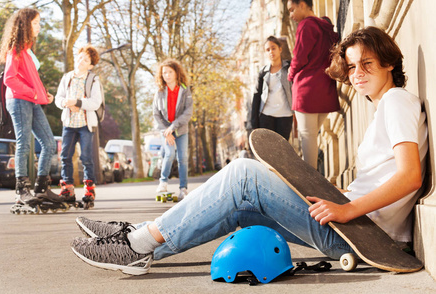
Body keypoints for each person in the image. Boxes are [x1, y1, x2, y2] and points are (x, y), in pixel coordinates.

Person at [71, 27, 428, 277]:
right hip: (351, 223)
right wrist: (341, 199)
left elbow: (410, 175)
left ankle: (136, 242)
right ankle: (137, 246)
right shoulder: (386, 106)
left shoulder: (396, 100)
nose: (357, 74)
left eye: (367, 64)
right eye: (351, 66)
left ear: (389, 64)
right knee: (240, 209)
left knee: (244, 174)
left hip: (361, 233)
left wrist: (347, 208)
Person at [0, 8, 65, 212]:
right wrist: (34, 93)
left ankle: (41, 187)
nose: (39, 26)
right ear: (25, 25)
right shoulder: (16, 49)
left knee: (48, 143)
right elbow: (9, 79)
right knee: (24, 143)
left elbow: (30, 80)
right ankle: (22, 188)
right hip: (19, 100)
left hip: (32, 100)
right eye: (36, 23)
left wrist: (44, 94)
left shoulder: (27, 51)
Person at [287, 0, 340, 169]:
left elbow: (299, 56)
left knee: (307, 136)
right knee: (311, 137)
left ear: (302, 4)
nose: (291, 15)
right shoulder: (326, 28)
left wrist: (290, 74)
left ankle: (310, 188)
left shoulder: (306, 25)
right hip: (325, 88)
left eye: (292, 9)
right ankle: (312, 180)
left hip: (306, 89)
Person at [55, 45, 103, 209]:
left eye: (86, 60)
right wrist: (65, 104)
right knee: (65, 157)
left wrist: (77, 103)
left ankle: (89, 191)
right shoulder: (67, 77)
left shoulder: (93, 79)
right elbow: (58, 98)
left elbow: (96, 103)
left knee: (86, 158)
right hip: (69, 123)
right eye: (80, 57)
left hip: (85, 124)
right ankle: (67, 189)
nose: (81, 61)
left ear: (90, 65)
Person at [152, 59, 193, 201]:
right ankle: (163, 182)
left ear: (176, 72)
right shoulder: (159, 92)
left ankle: (183, 188)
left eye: (170, 72)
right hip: (165, 130)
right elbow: (156, 114)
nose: (167, 75)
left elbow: (188, 112)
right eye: (164, 72)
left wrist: (173, 127)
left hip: (180, 129)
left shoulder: (184, 89)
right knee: (169, 154)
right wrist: (166, 130)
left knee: (182, 158)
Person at [251, 36, 293, 141]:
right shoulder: (263, 72)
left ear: (280, 49)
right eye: (267, 50)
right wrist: (254, 121)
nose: (271, 52)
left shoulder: (289, 67)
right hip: (266, 116)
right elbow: (256, 96)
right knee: (268, 150)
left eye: (273, 48)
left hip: (285, 115)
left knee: (282, 150)